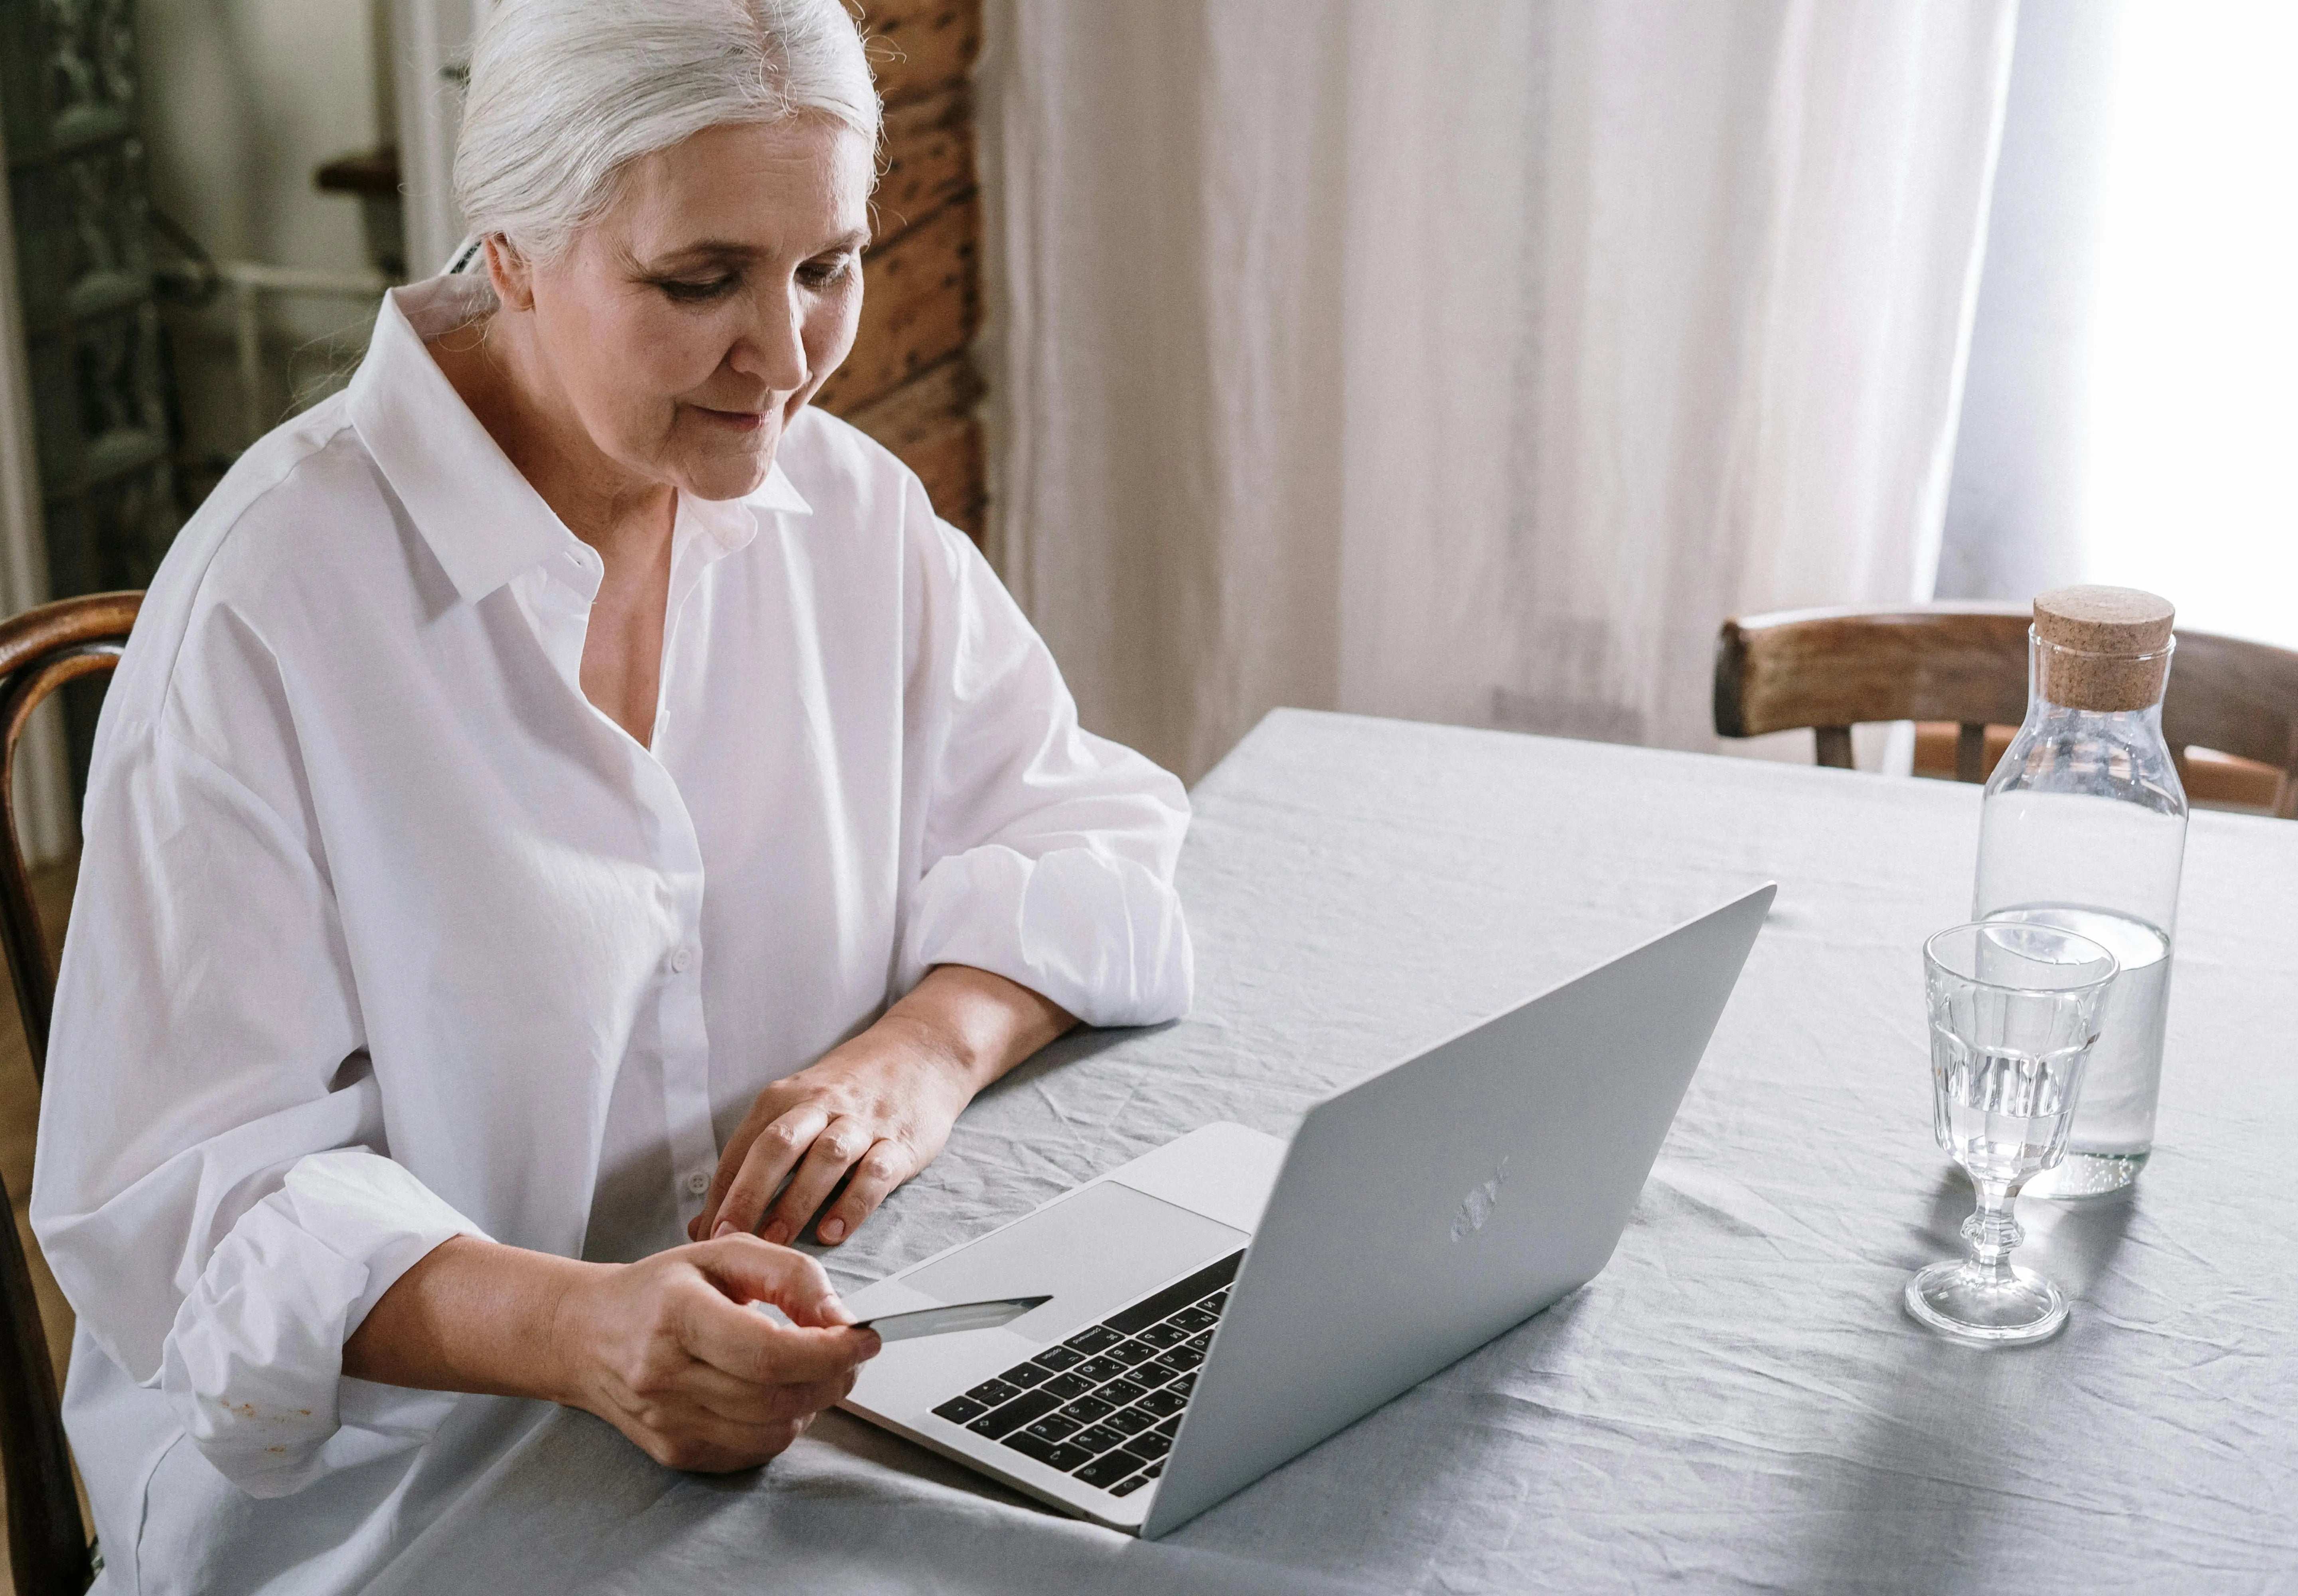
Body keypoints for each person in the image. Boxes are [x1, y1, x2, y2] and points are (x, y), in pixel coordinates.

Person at [28, 2, 1193, 1589]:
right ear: (510, 250)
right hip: (392, 1507)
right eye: (698, 279)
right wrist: (582, 1330)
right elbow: (190, 1218)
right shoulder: (270, 608)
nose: (783, 359)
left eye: (828, 265)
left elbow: (1089, 828)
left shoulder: (844, 511)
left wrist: (918, 1055)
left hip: (785, 1442)